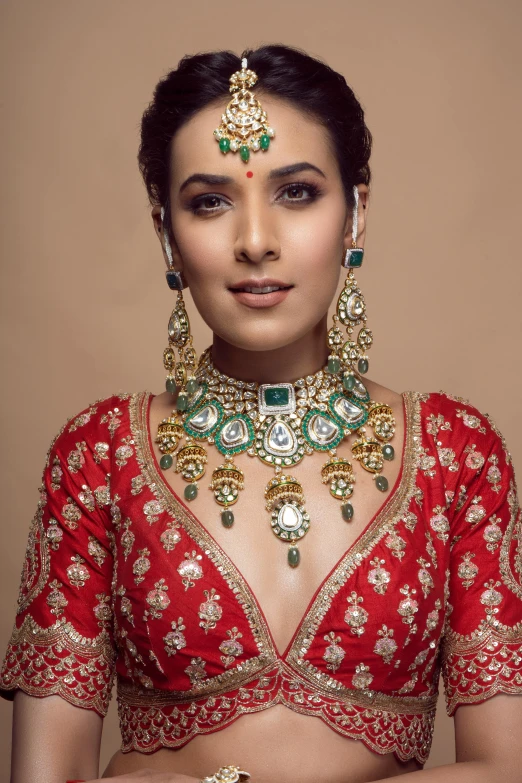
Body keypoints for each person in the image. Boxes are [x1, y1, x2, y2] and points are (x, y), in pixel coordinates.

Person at [1, 44, 521, 783]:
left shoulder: (453, 455)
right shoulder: (101, 457)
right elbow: (43, 778)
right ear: (166, 233)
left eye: (297, 192)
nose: (254, 241)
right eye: (210, 201)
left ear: (357, 212)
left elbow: (509, 767)